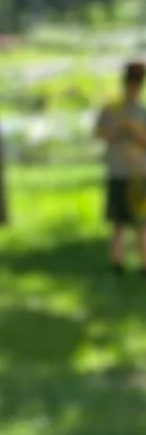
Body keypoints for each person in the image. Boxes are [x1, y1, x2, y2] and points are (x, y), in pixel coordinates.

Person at [95, 61, 146, 275]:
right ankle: (117, 264)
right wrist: (118, 128)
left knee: (142, 222)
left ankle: (144, 264)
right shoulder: (111, 110)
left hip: (139, 173)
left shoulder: (142, 112)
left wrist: (134, 129)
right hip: (117, 171)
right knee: (118, 222)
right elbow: (99, 133)